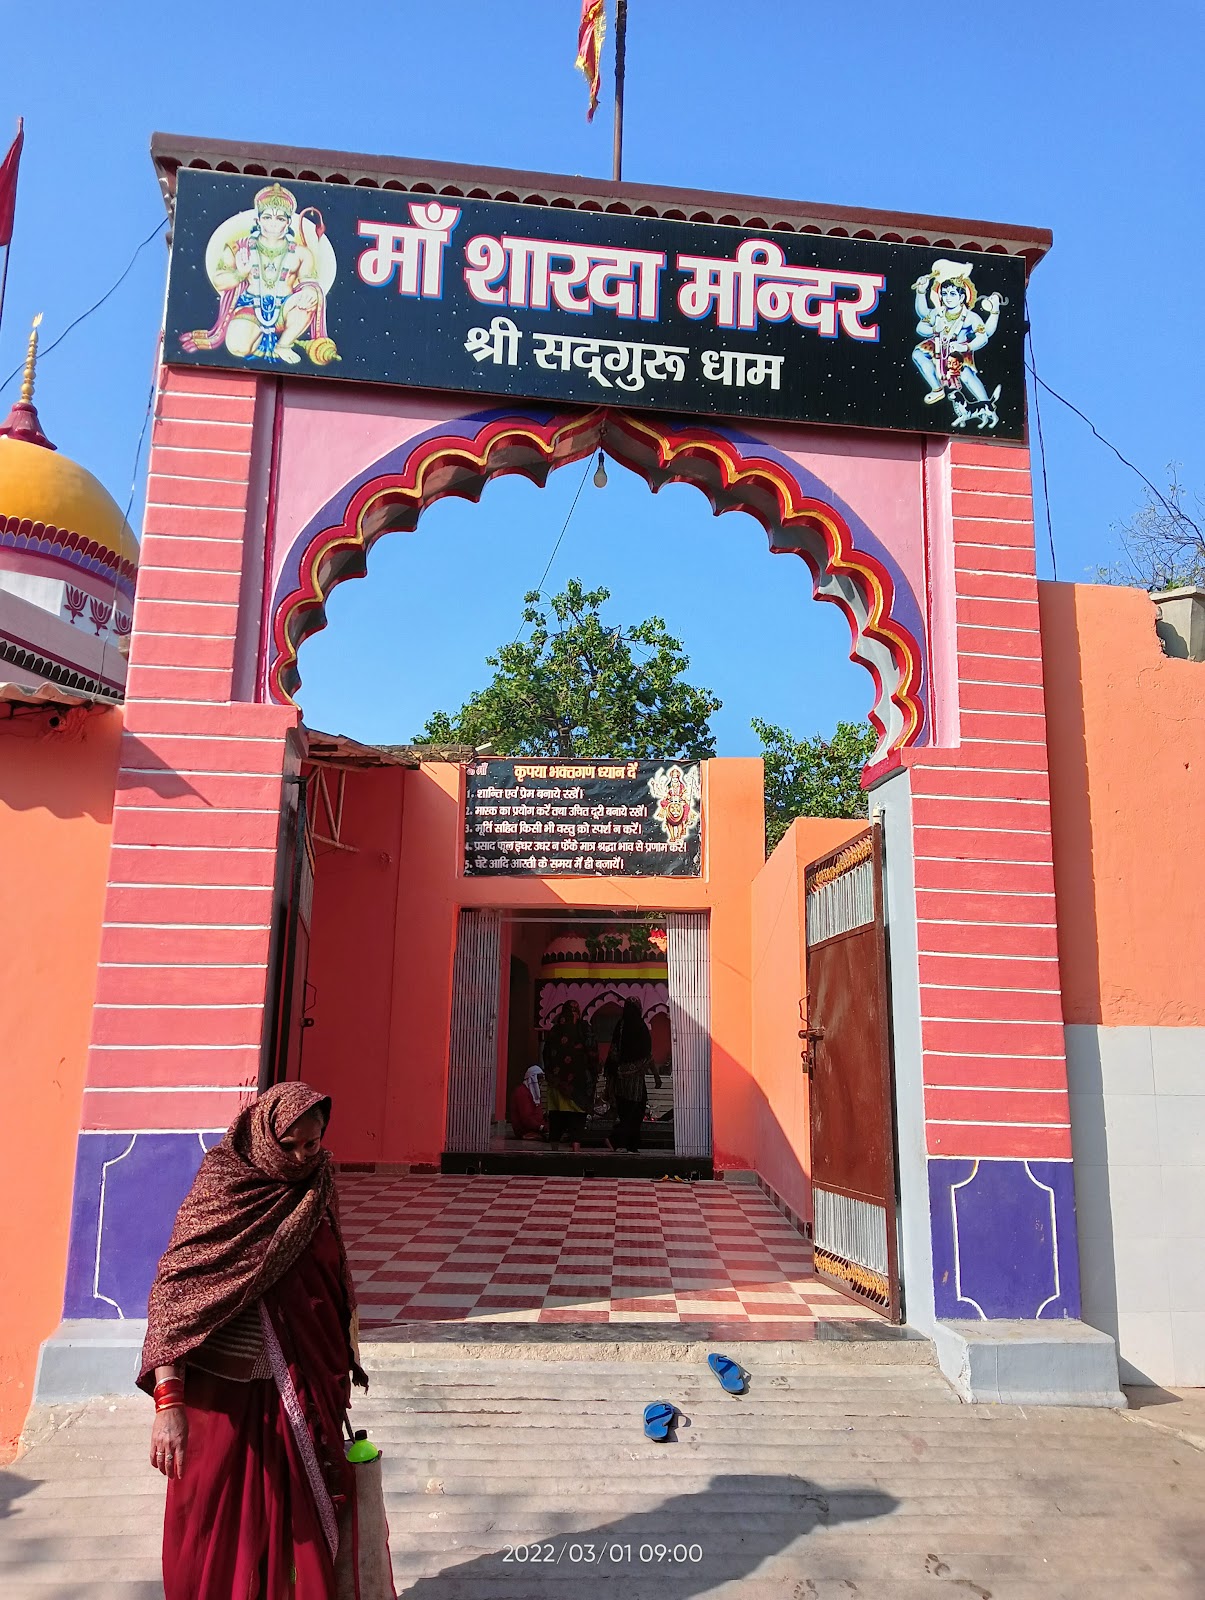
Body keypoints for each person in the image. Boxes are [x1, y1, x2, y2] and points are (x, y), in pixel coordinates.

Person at [139, 1081, 383, 1600]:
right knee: (213, 1514)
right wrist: (168, 1404)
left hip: (303, 1381)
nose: (298, 1158)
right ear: (263, 1135)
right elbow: (175, 1297)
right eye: (288, 1145)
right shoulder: (224, 1185)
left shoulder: (318, 1184)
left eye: (311, 1145)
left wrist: (335, 1358)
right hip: (223, 1394)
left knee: (300, 1517)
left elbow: (329, 1278)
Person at [181, 182, 337, 366]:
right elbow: (219, 281)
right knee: (238, 348)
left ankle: (284, 344)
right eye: (267, 217)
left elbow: (308, 280)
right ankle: (254, 337)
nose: (273, 223)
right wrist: (241, 273)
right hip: (251, 306)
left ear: (288, 223)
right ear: (258, 220)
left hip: (285, 309)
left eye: (280, 218)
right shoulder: (238, 248)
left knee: (313, 297)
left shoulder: (301, 253)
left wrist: (310, 291)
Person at [543, 1001, 595, 1150]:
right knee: (577, 1116)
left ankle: (554, 1148)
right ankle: (576, 1147)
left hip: (557, 1084)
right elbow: (592, 1052)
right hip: (579, 1084)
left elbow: (546, 1054)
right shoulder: (584, 1028)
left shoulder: (555, 1031)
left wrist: (552, 1074)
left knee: (557, 1115)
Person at [608, 998, 654, 1153]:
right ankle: (618, 1140)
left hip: (620, 1077)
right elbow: (647, 1054)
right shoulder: (640, 1027)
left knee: (625, 1111)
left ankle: (628, 1144)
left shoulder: (620, 1026)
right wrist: (655, 1075)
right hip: (635, 1080)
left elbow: (613, 1051)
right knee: (636, 1111)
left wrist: (613, 1073)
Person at [508, 1064, 547, 1140]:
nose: (540, 1084)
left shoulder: (531, 1092)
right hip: (526, 1130)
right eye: (538, 1080)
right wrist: (542, 1127)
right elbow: (526, 1118)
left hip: (536, 1127)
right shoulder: (522, 1092)